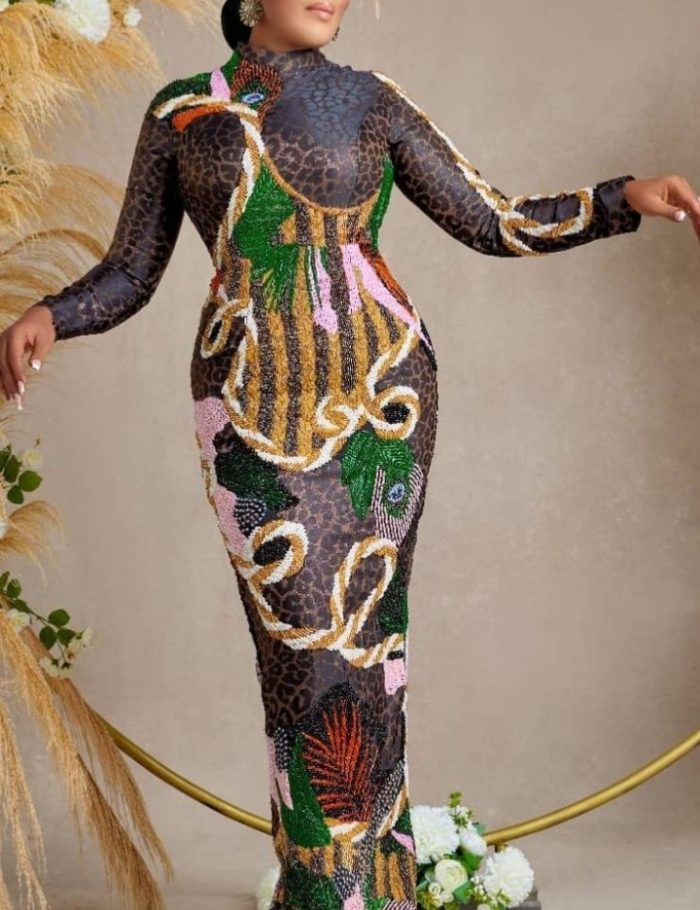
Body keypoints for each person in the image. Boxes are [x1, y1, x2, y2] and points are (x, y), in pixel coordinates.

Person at [2, 1, 698, 907]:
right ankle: (324, 888)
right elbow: (133, 269)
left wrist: (619, 200)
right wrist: (52, 314)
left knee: (371, 638)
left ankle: (383, 880)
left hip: (383, 397)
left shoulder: (373, 101)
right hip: (248, 401)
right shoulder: (181, 112)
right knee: (295, 642)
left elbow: (491, 219)